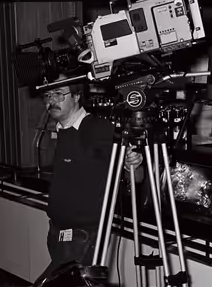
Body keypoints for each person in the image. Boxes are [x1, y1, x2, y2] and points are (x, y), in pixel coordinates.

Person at [43, 79, 140, 267]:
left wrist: (132, 163)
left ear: (77, 96)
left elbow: (137, 177)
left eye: (59, 94)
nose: (51, 100)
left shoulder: (98, 129)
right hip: (58, 234)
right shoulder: (61, 130)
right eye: (47, 95)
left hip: (86, 238)